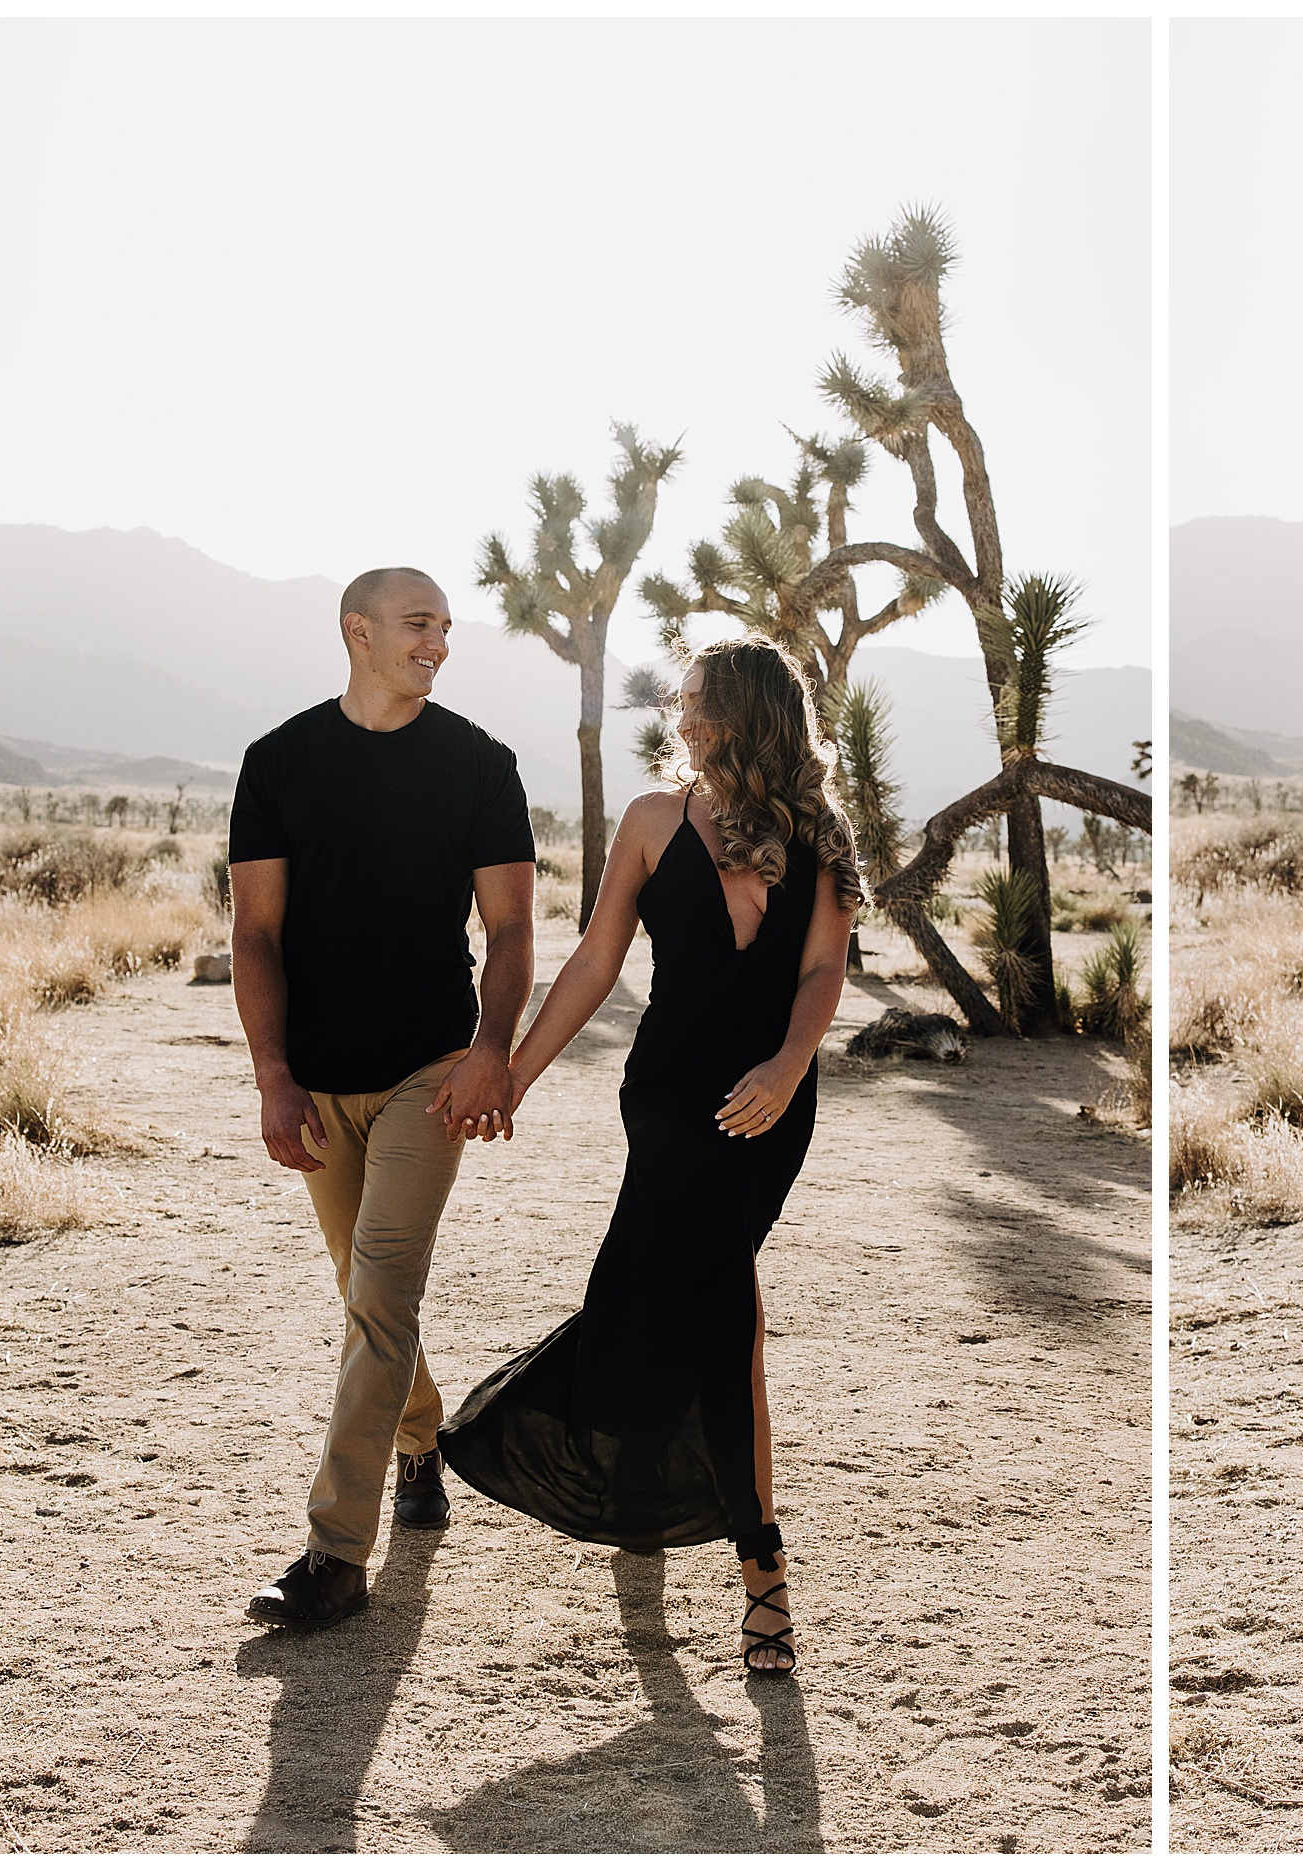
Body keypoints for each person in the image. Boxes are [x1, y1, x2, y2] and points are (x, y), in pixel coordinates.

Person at [439, 634, 856, 1675]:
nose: (680, 714)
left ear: (748, 712)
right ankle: (763, 1569)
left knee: (663, 1299)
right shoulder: (651, 821)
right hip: (670, 1097)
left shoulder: (824, 835)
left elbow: (820, 973)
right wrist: (516, 1071)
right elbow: (594, 957)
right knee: (725, 1310)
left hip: (769, 1103)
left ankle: (641, 1489)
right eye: (680, 699)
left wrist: (788, 1065)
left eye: (699, 700)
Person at [235, 567, 537, 1627]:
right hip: (317, 1078)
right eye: (420, 625)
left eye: (448, 628)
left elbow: (509, 930)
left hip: (428, 1071)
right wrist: (273, 1074)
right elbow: (256, 932)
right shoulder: (278, 762)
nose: (440, 643)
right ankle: (420, 1439)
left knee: (383, 1284)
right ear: (358, 632)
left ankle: (333, 1554)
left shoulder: (478, 764)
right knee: (361, 1290)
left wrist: (490, 1048)